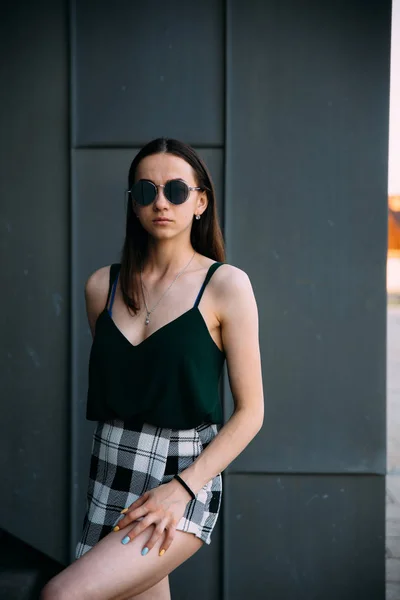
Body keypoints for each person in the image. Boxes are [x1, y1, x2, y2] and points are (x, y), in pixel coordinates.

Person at [41, 137, 264, 599]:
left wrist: (180, 489)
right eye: (146, 191)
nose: (160, 202)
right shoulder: (102, 286)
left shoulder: (226, 285)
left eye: (176, 191)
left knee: (62, 594)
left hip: (183, 473)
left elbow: (251, 412)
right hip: (111, 467)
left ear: (200, 201)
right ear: (133, 204)